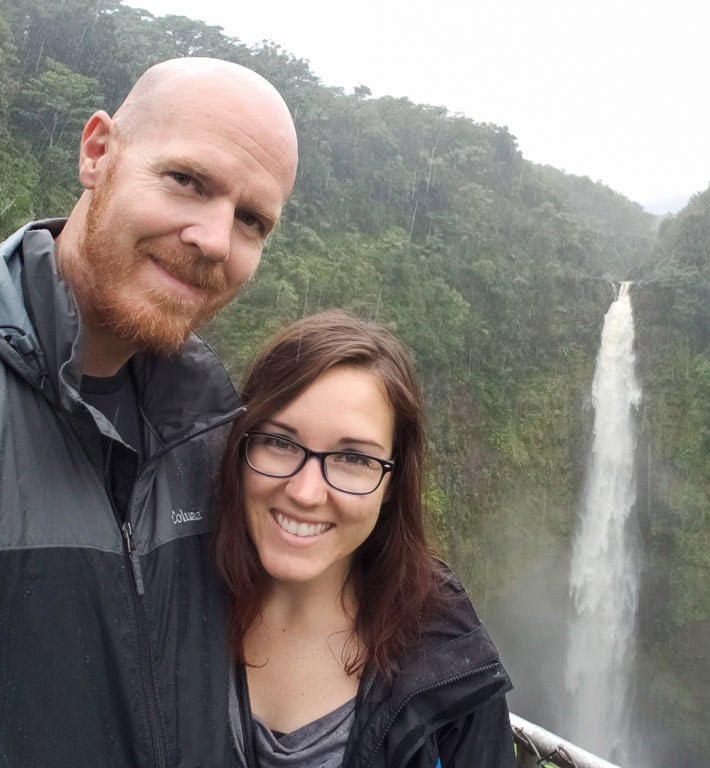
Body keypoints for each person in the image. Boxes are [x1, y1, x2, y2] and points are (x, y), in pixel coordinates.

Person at [0, 57, 298, 766]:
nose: (214, 241)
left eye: (252, 220)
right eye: (187, 181)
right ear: (97, 152)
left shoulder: (221, 438)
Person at [214, 309, 516, 767]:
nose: (306, 492)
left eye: (353, 458)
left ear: (393, 480)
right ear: (240, 445)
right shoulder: (168, 602)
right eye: (279, 442)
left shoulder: (450, 661)